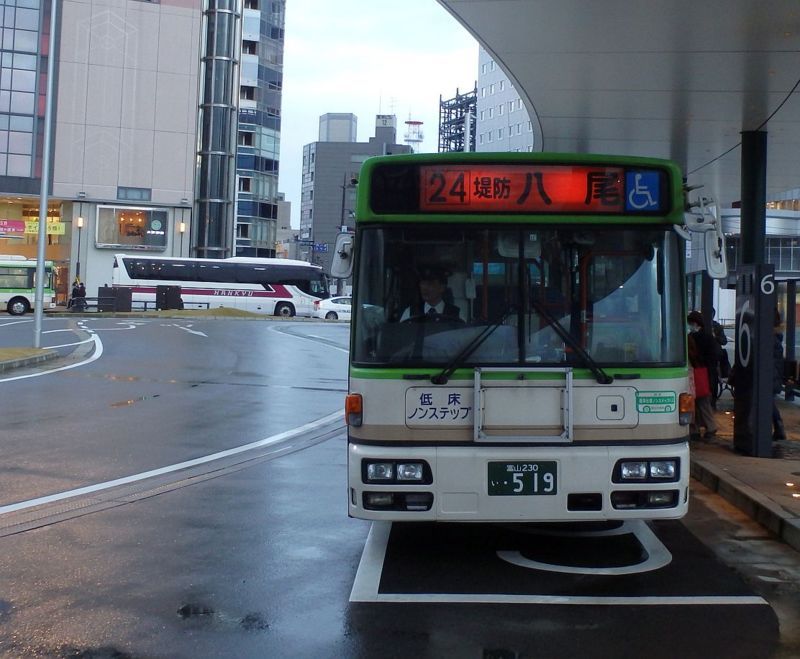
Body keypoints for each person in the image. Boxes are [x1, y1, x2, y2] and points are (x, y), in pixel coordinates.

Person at [687, 310, 718, 438]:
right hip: (705, 373)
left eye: (690, 323)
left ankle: (698, 428)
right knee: (702, 402)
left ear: (695, 323)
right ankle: (709, 427)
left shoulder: (692, 338)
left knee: (696, 402)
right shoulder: (708, 337)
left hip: (697, 373)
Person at [773, 309, 787, 441]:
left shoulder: (771, 339)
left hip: (771, 377)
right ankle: (778, 427)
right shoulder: (776, 337)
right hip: (774, 376)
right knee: (769, 402)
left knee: (768, 402)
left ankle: (779, 427)